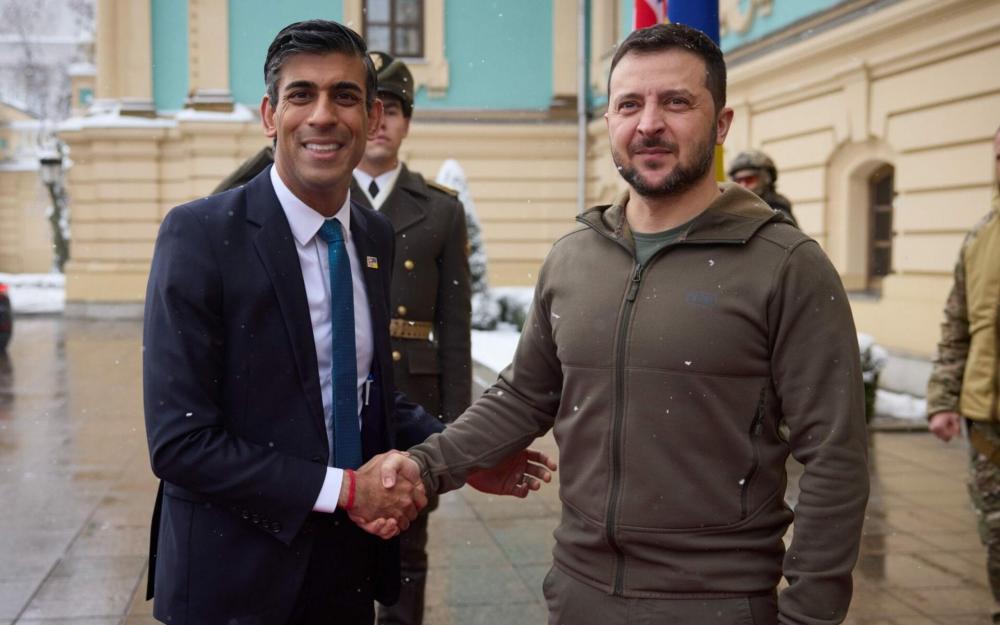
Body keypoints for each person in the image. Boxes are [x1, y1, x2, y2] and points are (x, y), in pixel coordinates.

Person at [370, 23, 869, 625]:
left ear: (721, 124)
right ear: (609, 120)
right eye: (629, 104)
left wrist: (810, 614)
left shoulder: (786, 265)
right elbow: (523, 396)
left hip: (715, 603)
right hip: (578, 595)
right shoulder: (574, 257)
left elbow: (835, 457)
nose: (648, 124)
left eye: (676, 102)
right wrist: (424, 465)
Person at [142, 20, 549, 625]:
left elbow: (361, 392)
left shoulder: (372, 235)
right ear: (269, 115)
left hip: (346, 573)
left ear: (371, 114)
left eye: (345, 96)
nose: (323, 116)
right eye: (301, 94)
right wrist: (347, 490)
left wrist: (466, 457)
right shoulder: (200, 234)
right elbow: (181, 443)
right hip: (233, 579)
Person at [348, 51, 472, 625]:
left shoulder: (440, 210)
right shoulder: (321, 194)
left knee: (406, 546)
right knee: (334, 543)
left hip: (414, 396)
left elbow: (455, 325)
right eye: (370, 107)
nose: (380, 122)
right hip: (344, 396)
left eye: (392, 109)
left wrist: (457, 431)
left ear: (407, 121)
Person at [927, 125, 1000, 623]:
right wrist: (943, 399)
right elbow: (958, 325)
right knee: (996, 534)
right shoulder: (981, 237)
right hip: (987, 421)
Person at [728, 149, 798, 227]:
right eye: (738, 181)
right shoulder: (733, 211)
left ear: (767, 179)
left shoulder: (778, 214)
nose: (743, 186)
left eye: (749, 180)